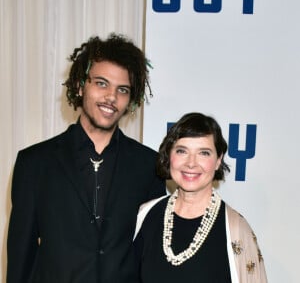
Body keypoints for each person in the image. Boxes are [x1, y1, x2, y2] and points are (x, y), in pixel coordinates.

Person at [7, 33, 165, 283]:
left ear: (131, 100)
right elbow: (20, 258)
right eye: (101, 83)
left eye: (122, 89)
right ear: (80, 86)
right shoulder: (35, 163)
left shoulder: (149, 166)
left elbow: (153, 257)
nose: (111, 97)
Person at [134, 112, 268, 283]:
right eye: (182, 151)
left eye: (204, 153)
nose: (191, 163)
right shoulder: (147, 215)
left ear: (218, 160)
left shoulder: (235, 228)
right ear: (169, 156)